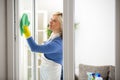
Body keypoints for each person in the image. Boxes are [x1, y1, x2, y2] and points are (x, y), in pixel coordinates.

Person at [21, 12, 63, 80]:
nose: (50, 21)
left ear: (61, 25)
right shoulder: (53, 35)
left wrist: (26, 30)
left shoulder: (57, 44)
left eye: (54, 21)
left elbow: (34, 48)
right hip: (46, 74)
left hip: (52, 76)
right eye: (51, 19)